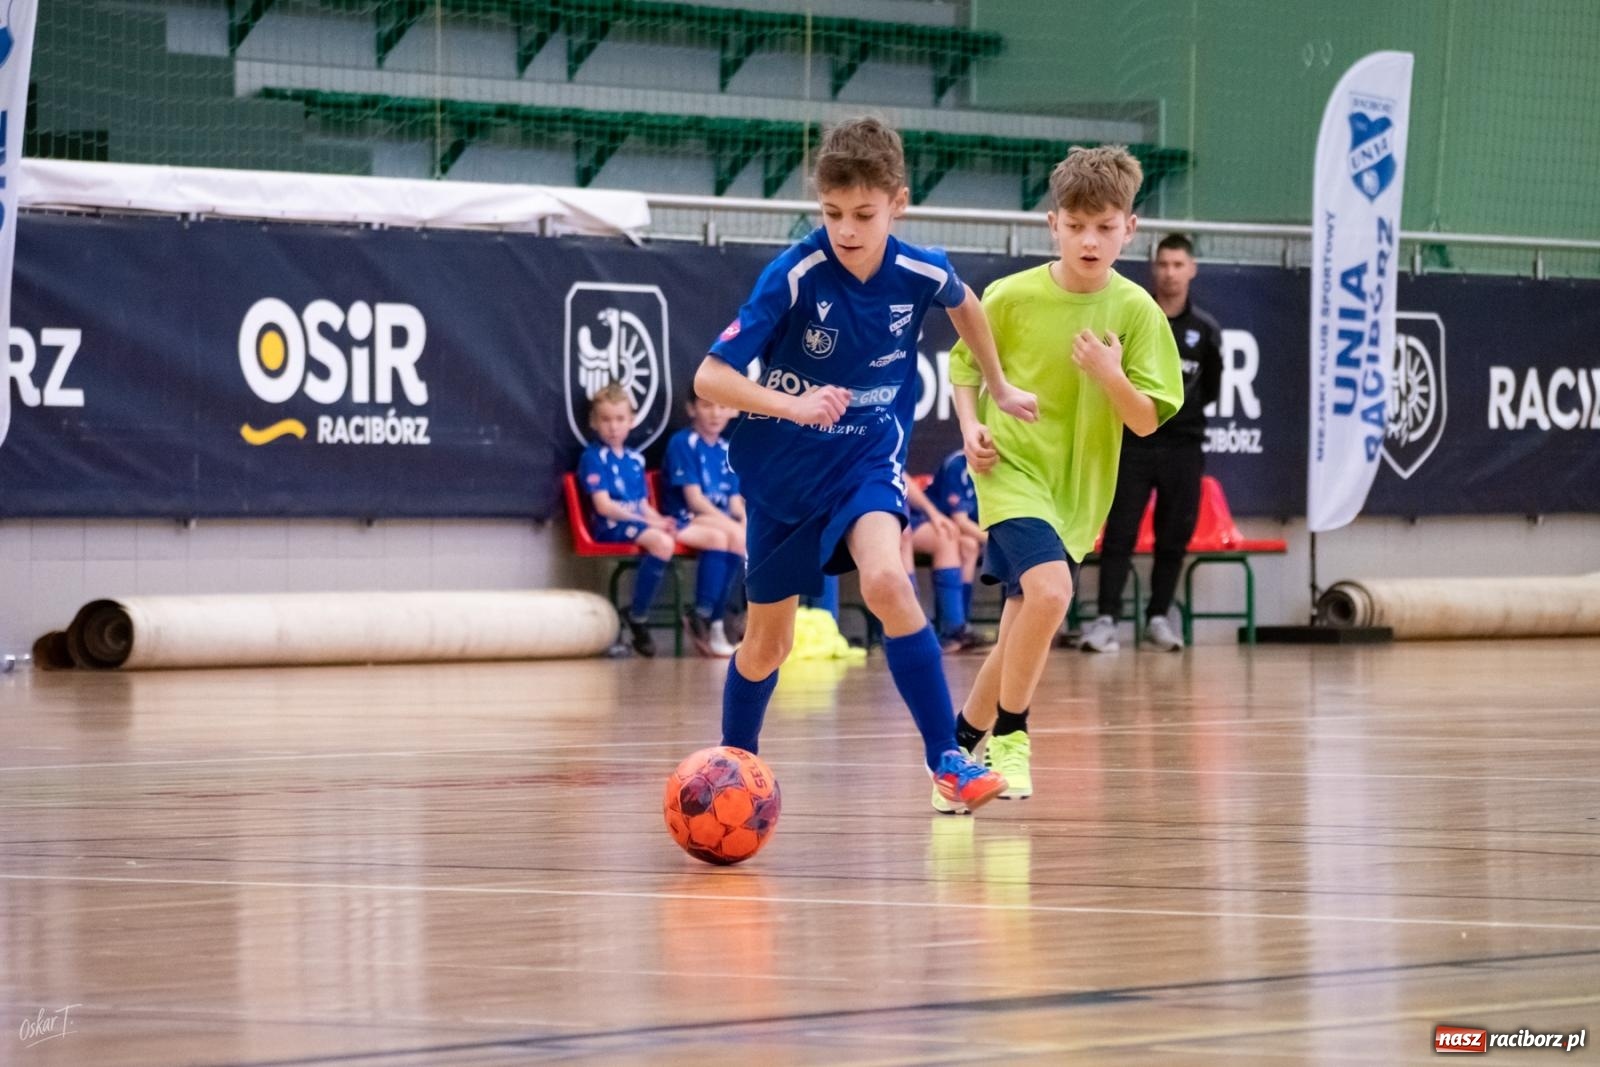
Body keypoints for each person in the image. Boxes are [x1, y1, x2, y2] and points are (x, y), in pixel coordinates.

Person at [693, 116, 1039, 812]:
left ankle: (948, 760)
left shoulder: (918, 268)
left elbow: (967, 305)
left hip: (866, 457)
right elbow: (709, 377)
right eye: (832, 213)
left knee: (887, 578)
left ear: (897, 203)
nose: (846, 228)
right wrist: (790, 405)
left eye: (863, 214)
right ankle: (736, 768)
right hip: (784, 472)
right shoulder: (793, 275)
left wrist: (998, 384)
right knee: (767, 644)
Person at [939, 145, 1183, 812]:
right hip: (1010, 467)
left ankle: (955, 754)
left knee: (1027, 616)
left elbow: (1145, 423)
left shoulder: (1137, 314)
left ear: (1128, 230)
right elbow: (963, 368)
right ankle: (1013, 735)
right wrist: (970, 428)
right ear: (1054, 224)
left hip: (1076, 492)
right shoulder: (1010, 296)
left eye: (1105, 226)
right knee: (1051, 591)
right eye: (1076, 225)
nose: (1089, 239)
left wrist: (1111, 375)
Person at [1083, 233, 1223, 652]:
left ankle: (1159, 619)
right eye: (1163, 264)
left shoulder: (1206, 330)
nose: (1170, 273)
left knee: (1173, 536)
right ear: (1153, 268)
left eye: (1179, 265)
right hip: (1132, 443)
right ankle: (1106, 619)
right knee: (1120, 532)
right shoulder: (1134, 319)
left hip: (1184, 447)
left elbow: (1210, 389)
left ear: (1192, 269)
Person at [578, 384, 740, 657]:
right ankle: (640, 616)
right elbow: (604, 506)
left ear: (631, 421)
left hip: (641, 522)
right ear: (594, 422)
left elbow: (642, 505)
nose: (614, 427)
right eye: (606, 420)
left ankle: (712, 617)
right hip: (612, 526)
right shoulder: (593, 457)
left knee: (723, 538)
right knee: (664, 543)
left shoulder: (634, 460)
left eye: (619, 419)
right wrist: (654, 523)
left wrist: (657, 519)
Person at [662, 390, 747, 656]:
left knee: (735, 538)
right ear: (691, 409)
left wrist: (746, 524)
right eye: (707, 406)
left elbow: (735, 503)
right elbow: (695, 501)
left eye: (722, 406)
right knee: (726, 536)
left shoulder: (726, 449)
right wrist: (734, 526)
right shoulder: (682, 443)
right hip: (684, 519)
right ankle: (710, 618)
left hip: (715, 522)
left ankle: (712, 618)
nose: (715, 413)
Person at [903, 451, 986, 652]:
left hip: (926, 520)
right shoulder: (959, 464)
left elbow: (898, 473)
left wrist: (933, 514)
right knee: (904, 537)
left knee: (964, 543)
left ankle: (955, 629)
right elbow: (960, 520)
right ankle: (908, 631)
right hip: (890, 517)